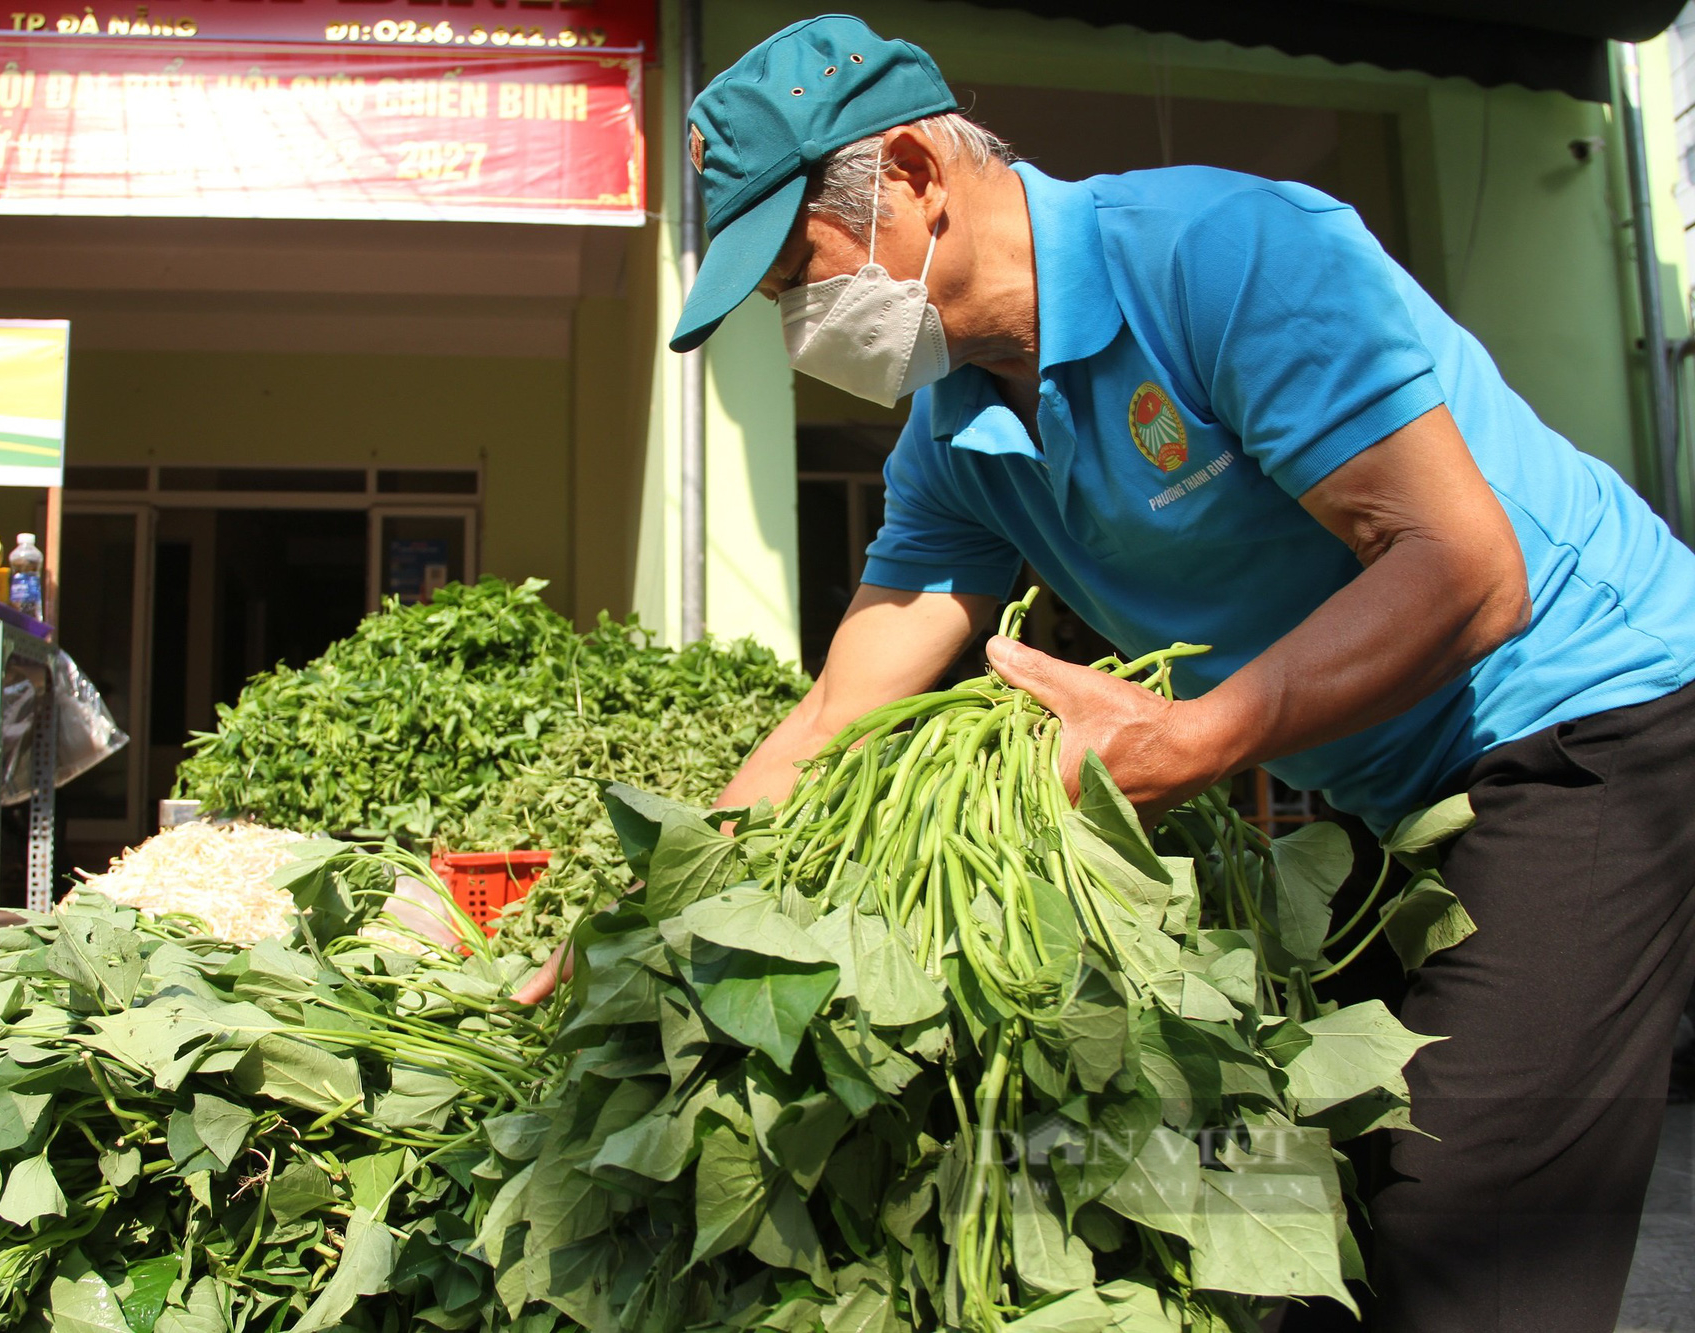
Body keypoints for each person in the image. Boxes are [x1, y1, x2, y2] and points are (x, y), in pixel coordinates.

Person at [520, 14, 1695, 1330]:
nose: (798, 321)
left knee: (1463, 1234)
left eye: (799, 268)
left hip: (1591, 715)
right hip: (1383, 784)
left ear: (911, 171)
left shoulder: (1224, 255)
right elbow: (846, 704)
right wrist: (655, 905)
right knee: (1286, 1194)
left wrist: (1193, 737)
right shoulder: (954, 436)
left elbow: (1466, 569)